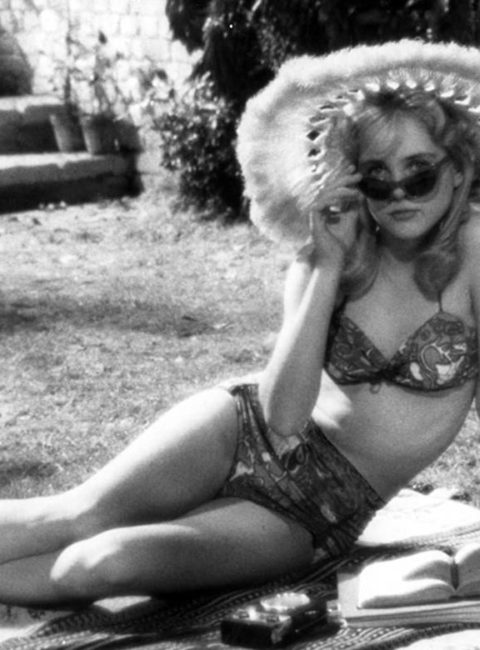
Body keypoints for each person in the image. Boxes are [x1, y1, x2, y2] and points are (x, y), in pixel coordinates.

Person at [2, 39, 480, 607]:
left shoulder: (475, 254)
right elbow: (283, 415)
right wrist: (327, 265)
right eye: (377, 177)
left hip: (316, 513)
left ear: (458, 170)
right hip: (239, 427)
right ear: (353, 181)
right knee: (77, 515)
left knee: (100, 563)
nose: (398, 193)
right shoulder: (329, 256)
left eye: (419, 174)